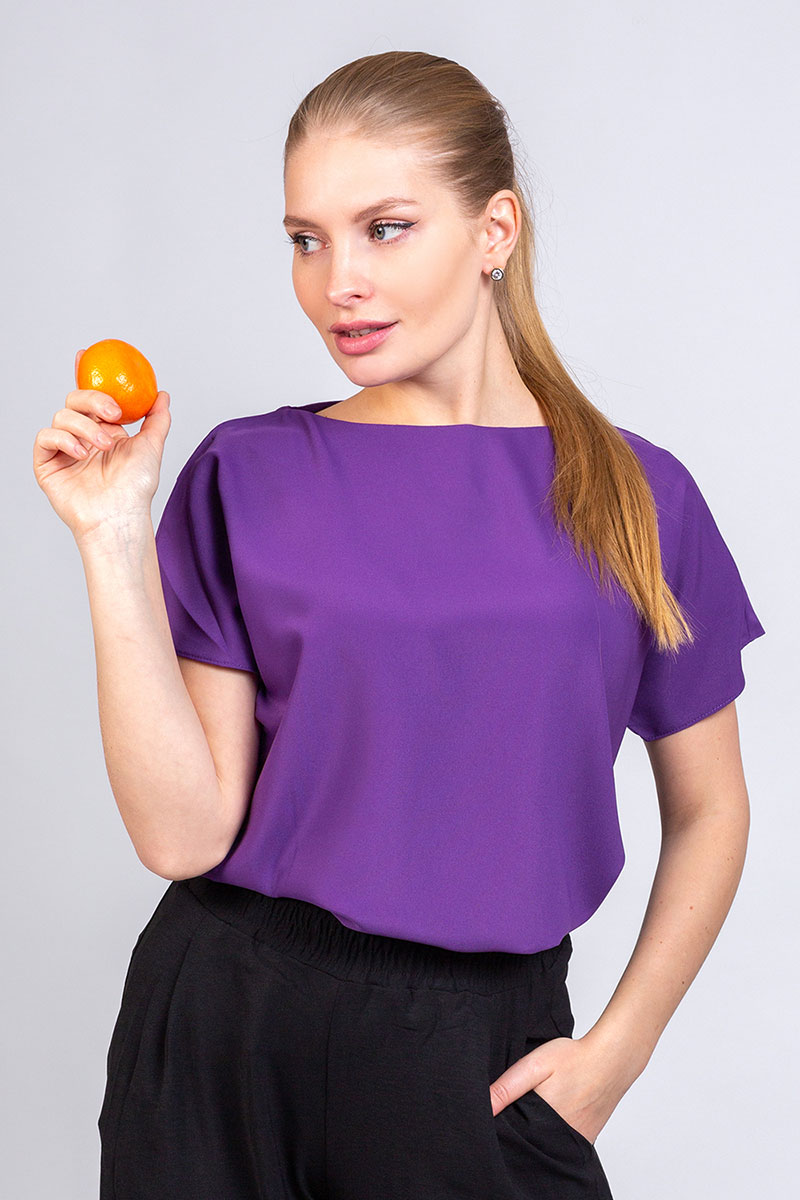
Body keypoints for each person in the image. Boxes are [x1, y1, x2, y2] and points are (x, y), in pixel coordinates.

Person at [33, 49, 766, 1200]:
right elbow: (181, 836)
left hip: (476, 1056)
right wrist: (111, 540)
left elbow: (711, 808)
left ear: (492, 230)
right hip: (226, 1025)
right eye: (305, 239)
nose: (339, 283)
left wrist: (614, 1057)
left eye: (384, 229)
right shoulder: (248, 472)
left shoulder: (639, 497)